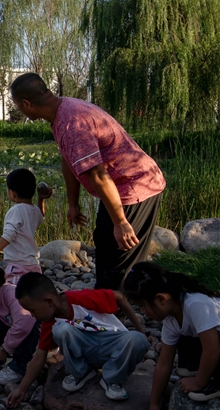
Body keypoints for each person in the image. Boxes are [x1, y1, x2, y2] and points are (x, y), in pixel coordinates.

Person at [9, 72, 165, 290]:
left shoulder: (72, 123)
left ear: (26, 104)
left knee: (120, 262)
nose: (19, 110)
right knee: (103, 245)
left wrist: (120, 222)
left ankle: (117, 315)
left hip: (135, 185)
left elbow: (99, 175)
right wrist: (73, 203)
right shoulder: (61, 113)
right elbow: (68, 160)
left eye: (17, 106)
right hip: (116, 188)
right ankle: (106, 304)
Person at [7, 272, 148, 406]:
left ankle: (112, 379)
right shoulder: (49, 323)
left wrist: (141, 331)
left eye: (33, 310)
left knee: (138, 340)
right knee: (61, 329)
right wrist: (21, 389)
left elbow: (119, 297)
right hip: (88, 356)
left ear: (49, 301)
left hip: (111, 347)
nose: (32, 315)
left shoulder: (81, 298)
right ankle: (82, 372)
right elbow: (39, 356)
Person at [124, 262, 220, 406]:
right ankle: (199, 369)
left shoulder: (196, 304)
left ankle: (214, 383)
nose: (142, 311)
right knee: (181, 339)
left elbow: (212, 350)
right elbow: (164, 363)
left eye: (142, 305)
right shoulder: (171, 320)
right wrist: (154, 403)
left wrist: (198, 382)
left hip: (217, 343)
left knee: (211, 340)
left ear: (161, 299)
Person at [0, 169, 52, 285]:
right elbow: (41, 215)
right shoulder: (34, 210)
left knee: (15, 294)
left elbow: (9, 235)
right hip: (33, 264)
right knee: (32, 294)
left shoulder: (16, 210)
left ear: (12, 193)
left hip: (18, 265)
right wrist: (41, 199)